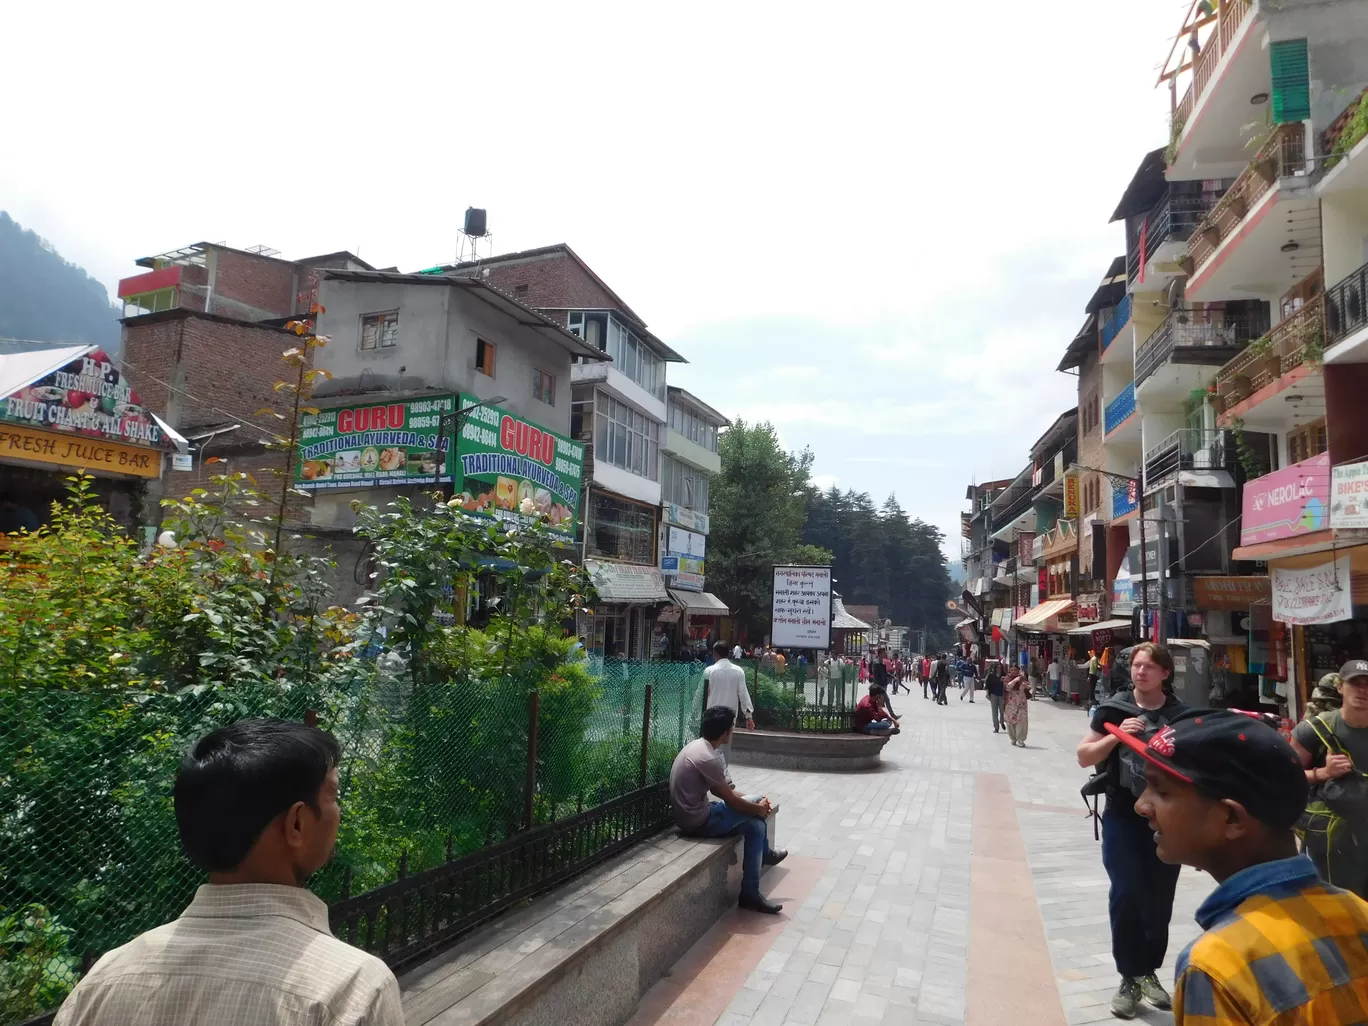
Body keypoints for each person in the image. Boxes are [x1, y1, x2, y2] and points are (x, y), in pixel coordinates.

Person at [53, 718, 403, 1026]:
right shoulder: (350, 990)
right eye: (333, 796)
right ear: (296, 823)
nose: (338, 812)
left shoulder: (104, 980)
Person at [1111, 707, 1368, 1024]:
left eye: (1161, 790)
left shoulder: (1214, 965)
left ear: (1231, 818)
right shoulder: (1356, 910)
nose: (1141, 805)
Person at [1076, 642, 1187, 1020]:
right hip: (1123, 815)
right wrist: (1117, 736)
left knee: (1159, 899)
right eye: (1137, 666)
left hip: (1166, 821)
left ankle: (1147, 971)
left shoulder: (1180, 715)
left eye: (1149, 667)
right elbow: (1083, 756)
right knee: (1125, 893)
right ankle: (1128, 976)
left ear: (1164, 673)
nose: (1141, 672)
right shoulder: (1114, 708)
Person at [669, 705, 787, 914]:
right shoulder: (709, 759)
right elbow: (730, 800)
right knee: (756, 811)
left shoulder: (699, 747)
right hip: (698, 821)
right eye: (731, 728)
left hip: (693, 815)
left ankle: (750, 893)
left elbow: (723, 792)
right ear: (725, 732)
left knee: (755, 827)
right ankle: (765, 856)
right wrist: (758, 806)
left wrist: (756, 804)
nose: (732, 731)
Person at [1290, 658, 1368, 898]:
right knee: (1337, 912)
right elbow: (1281, 777)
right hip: (1334, 844)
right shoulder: (1313, 730)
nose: (1363, 690)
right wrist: (1323, 773)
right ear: (1340, 687)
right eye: (1355, 683)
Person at [704, 640, 754, 779]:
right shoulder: (738, 671)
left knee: (711, 749)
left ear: (715, 654)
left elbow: (702, 695)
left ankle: (719, 777)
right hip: (729, 718)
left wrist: (696, 715)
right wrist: (748, 716)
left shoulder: (709, 671)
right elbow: (743, 693)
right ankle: (723, 776)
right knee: (725, 749)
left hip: (711, 716)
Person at [1003, 666, 1030, 746]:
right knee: (1010, 721)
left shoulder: (1022, 678)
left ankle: (1021, 739)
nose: (1013, 671)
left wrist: (1025, 685)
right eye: (1012, 670)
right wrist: (1015, 680)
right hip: (1010, 703)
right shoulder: (1007, 678)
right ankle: (1013, 738)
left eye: (1015, 670)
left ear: (1018, 671)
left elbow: (1029, 687)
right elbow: (1007, 687)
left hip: (1021, 703)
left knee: (1022, 720)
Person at [985, 661, 1005, 734]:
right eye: (997, 667)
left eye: (1000, 667)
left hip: (1002, 695)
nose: (999, 669)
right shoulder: (991, 676)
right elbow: (987, 685)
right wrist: (987, 693)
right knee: (994, 712)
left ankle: (1002, 721)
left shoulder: (1004, 675)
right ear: (995, 668)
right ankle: (996, 727)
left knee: (1002, 711)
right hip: (993, 695)